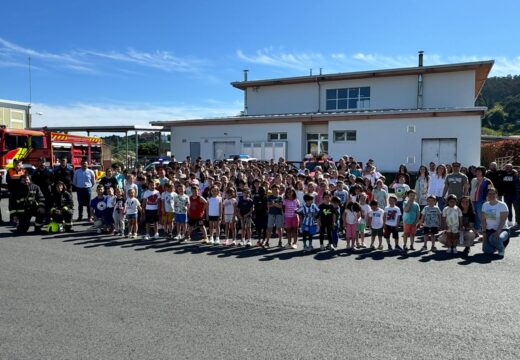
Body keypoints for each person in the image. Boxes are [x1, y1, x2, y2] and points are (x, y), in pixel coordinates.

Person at [481, 188, 510, 257]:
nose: (492, 195)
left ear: (497, 195)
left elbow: (503, 220)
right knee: (487, 250)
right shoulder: (485, 205)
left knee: (494, 238)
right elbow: (483, 220)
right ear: (487, 195)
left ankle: (501, 248)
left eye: (494, 193)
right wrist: (484, 232)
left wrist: (497, 231)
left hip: (502, 230)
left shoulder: (502, 205)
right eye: (489, 194)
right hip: (489, 231)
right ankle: (495, 245)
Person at [469, 166, 493, 233]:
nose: (477, 173)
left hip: (482, 201)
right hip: (473, 200)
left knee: (481, 216)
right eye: (476, 171)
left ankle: (486, 229)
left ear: (483, 172)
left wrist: (488, 201)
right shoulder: (473, 180)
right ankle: (477, 229)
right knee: (476, 216)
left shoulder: (487, 181)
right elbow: (471, 190)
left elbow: (490, 191)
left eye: (479, 171)